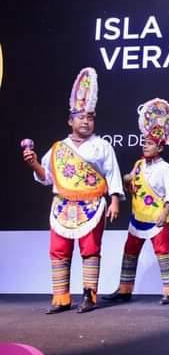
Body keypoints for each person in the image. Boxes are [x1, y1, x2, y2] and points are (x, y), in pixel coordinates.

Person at [22, 67, 124, 314]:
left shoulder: (102, 146)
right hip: (62, 205)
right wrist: (33, 163)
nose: (86, 121)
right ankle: (61, 298)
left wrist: (115, 201)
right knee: (58, 250)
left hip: (91, 205)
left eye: (90, 117)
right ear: (71, 121)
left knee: (90, 249)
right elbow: (47, 177)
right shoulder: (59, 148)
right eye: (81, 117)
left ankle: (89, 296)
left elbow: (113, 174)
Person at [103, 98, 169, 305]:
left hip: (157, 218)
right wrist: (128, 180)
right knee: (129, 252)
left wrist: (165, 212)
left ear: (160, 148)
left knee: (162, 254)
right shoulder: (138, 164)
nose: (145, 146)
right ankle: (125, 290)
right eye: (144, 143)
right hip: (137, 218)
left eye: (150, 144)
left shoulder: (166, 168)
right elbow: (132, 186)